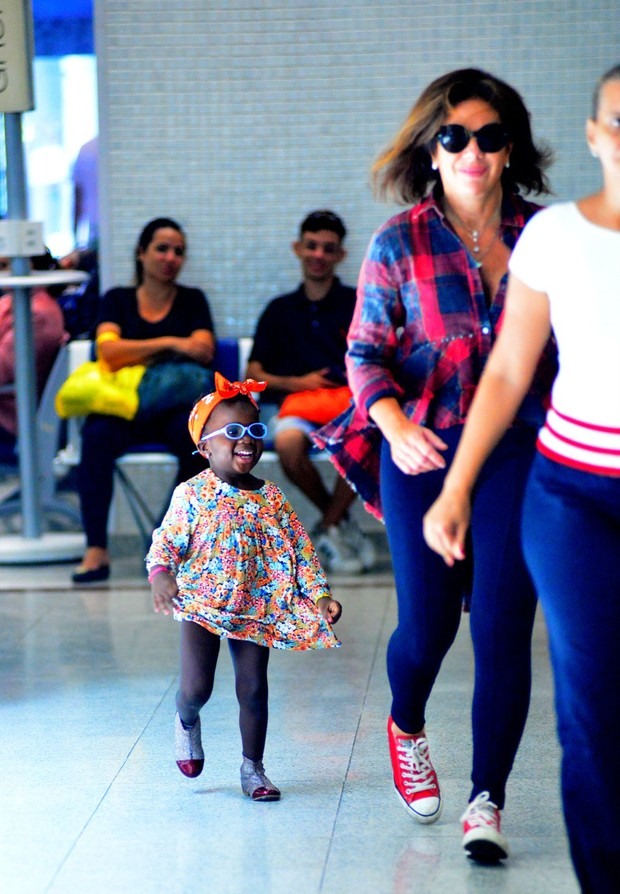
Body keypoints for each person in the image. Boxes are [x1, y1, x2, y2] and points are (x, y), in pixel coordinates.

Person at [313, 68, 557, 862]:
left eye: (490, 136)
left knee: (501, 622)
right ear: (432, 147)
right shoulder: (398, 241)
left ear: (509, 145)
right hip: (419, 443)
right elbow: (364, 354)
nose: (474, 151)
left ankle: (487, 797)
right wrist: (390, 422)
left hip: (519, 446)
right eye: (456, 136)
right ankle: (406, 723)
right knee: (425, 626)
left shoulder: (545, 236)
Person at [423, 64, 620, 892]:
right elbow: (506, 372)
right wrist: (457, 484)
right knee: (596, 706)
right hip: (573, 496)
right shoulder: (557, 238)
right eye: (619, 120)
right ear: (594, 134)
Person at [146, 373, 342, 800]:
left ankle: (253, 769)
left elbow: (301, 552)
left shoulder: (271, 497)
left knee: (253, 689)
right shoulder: (191, 494)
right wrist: (162, 577)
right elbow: (166, 544)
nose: (247, 441)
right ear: (204, 447)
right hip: (201, 601)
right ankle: (185, 719)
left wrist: (320, 596)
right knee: (197, 687)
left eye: (255, 431)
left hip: (257, 604)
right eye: (233, 432)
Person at [73, 217, 215, 584]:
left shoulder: (192, 300)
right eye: (162, 248)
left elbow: (202, 350)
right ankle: (96, 548)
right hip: (126, 408)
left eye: (178, 251)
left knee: (200, 446)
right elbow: (109, 353)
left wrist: (138, 350)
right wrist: (169, 344)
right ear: (142, 253)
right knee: (96, 436)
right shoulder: (117, 300)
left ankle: (162, 539)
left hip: (171, 412)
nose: (170, 257)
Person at [246, 210, 375, 575]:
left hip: (349, 406)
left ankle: (328, 525)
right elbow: (252, 373)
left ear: (340, 255)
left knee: (371, 441)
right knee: (287, 444)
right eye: (312, 245)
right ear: (298, 248)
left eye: (328, 248)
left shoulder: (358, 303)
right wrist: (299, 384)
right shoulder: (279, 310)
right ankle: (335, 520)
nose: (319, 254)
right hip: (296, 406)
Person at [0, 251, 67, 456]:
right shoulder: (14, 302)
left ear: (26, 266)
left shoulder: (37, 314)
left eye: (4, 266)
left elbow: (3, 370)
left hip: (11, 415)